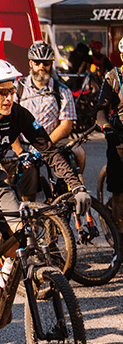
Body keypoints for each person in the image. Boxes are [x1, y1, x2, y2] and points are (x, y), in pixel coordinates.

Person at [0, 59, 90, 330]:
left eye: (12, 91)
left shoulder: (19, 115)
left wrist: (75, 185)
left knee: (22, 231)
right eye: (2, 92)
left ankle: (0, 282)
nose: (10, 97)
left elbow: (48, 150)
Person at [10, 41, 80, 202]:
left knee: (79, 154)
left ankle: (65, 198)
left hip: (51, 142)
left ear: (51, 64)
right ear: (30, 63)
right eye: (37, 62)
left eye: (46, 63)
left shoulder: (62, 90)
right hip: (25, 144)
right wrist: (20, 152)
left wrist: (43, 146)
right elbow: (9, 123)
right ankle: (31, 216)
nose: (41, 66)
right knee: (28, 184)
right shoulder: (17, 88)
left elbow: (66, 125)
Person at [95, 37, 123, 233]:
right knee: (120, 194)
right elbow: (100, 110)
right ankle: (119, 239)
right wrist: (106, 127)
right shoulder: (113, 78)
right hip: (120, 139)